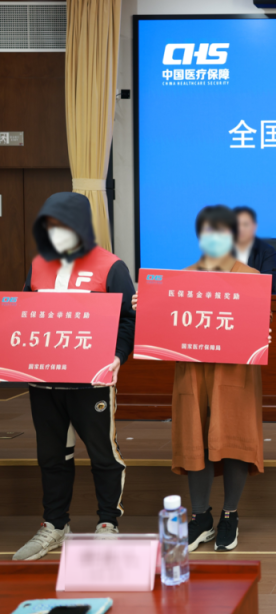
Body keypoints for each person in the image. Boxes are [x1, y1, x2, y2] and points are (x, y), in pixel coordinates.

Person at [132, 205, 266, 553]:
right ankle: (201, 516)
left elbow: (258, 328)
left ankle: (230, 514)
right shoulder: (180, 279)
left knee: (233, 436)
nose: (214, 238)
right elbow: (163, 328)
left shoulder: (250, 277)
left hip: (234, 371)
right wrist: (146, 308)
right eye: (208, 231)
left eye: (222, 232)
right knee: (196, 437)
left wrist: (262, 332)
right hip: (192, 370)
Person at [13, 192, 136, 561]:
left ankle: (107, 523)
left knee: (103, 453)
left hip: (91, 381)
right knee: (52, 455)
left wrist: (117, 356)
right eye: (50, 225)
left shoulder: (111, 266)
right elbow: (24, 313)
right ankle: (54, 525)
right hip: (43, 382)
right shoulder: (39, 264)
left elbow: (128, 319)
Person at [233, 206, 276, 293]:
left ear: (254, 227)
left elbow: (267, 284)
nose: (241, 229)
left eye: (245, 225)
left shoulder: (267, 251)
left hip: (254, 298)